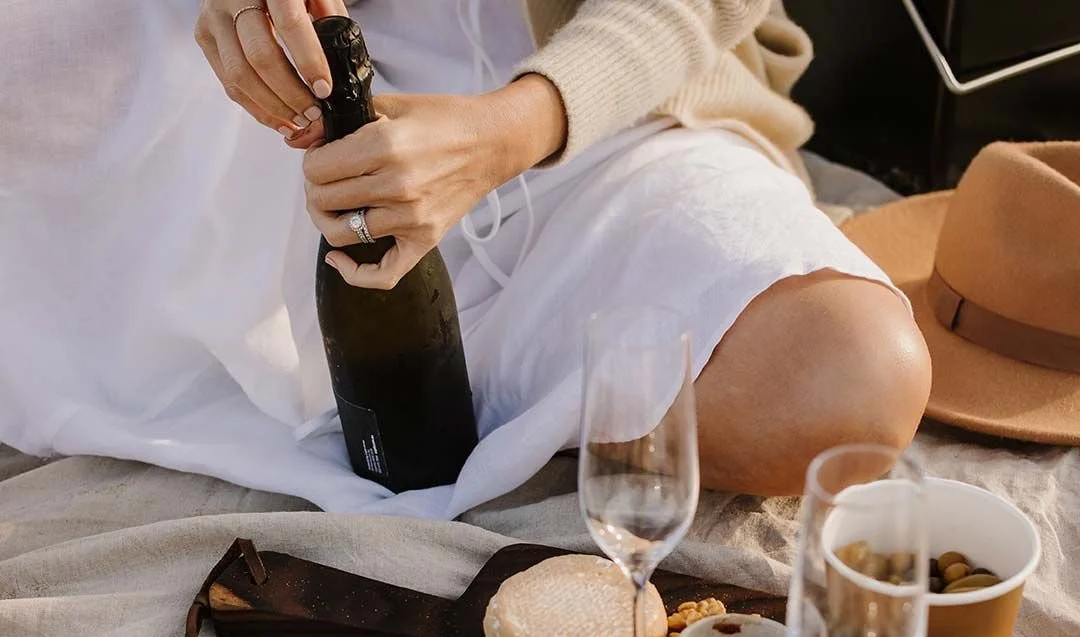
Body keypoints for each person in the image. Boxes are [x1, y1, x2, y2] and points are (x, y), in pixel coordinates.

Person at [0, 1, 929, 516]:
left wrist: (512, 128)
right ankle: (437, 388)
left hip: (588, 104)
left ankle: (479, 399)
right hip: (251, 128)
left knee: (849, 377)